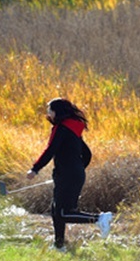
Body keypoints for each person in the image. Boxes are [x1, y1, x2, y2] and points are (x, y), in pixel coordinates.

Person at [26, 98, 112, 251]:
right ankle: (59, 245)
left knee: (64, 213)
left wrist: (35, 169)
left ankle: (99, 219)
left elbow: (50, 150)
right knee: (56, 210)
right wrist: (77, 170)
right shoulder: (73, 130)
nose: (48, 114)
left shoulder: (60, 129)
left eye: (49, 110)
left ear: (57, 112)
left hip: (68, 175)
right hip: (71, 174)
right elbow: (87, 154)